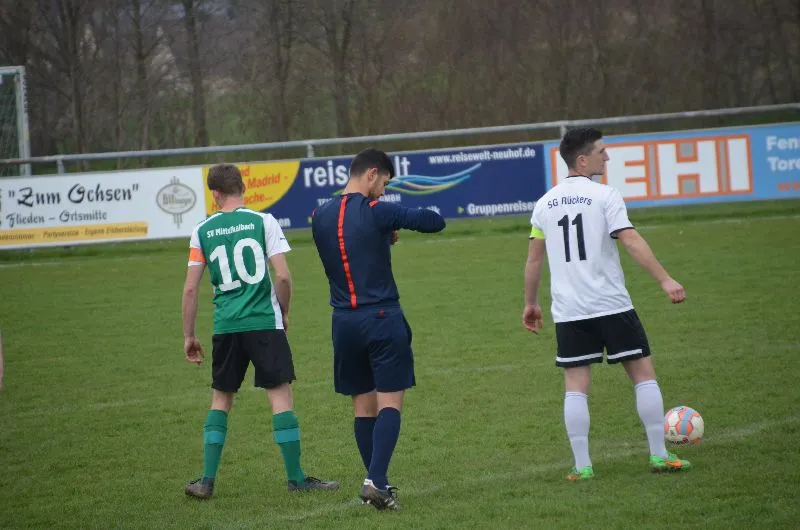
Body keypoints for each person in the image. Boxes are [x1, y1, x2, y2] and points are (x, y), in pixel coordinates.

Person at [522, 127, 691, 481]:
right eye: (602, 151)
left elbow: (534, 260)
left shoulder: (544, 203)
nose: (607, 156)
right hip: (611, 304)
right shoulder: (605, 196)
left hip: (569, 310)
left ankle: (582, 465)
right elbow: (630, 240)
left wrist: (530, 303)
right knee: (643, 375)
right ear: (583, 160)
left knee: (575, 385)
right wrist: (665, 279)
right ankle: (659, 455)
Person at [181, 163, 338, 499]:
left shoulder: (202, 230)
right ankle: (296, 478)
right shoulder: (263, 222)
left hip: (226, 326)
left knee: (221, 399)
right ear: (243, 188)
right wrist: (284, 312)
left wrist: (189, 336)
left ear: (215, 194)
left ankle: (206, 481)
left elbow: (191, 289)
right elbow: (283, 276)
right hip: (265, 322)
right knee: (280, 395)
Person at [311, 148, 446, 510]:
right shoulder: (377, 211)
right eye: (384, 183)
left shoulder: (320, 216)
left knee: (362, 407)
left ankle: (378, 485)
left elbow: (349, 248)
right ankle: (375, 481)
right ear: (371, 174)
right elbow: (434, 221)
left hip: (343, 322)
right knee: (390, 402)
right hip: (381, 318)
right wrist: (391, 224)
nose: (384, 191)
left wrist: (381, 237)